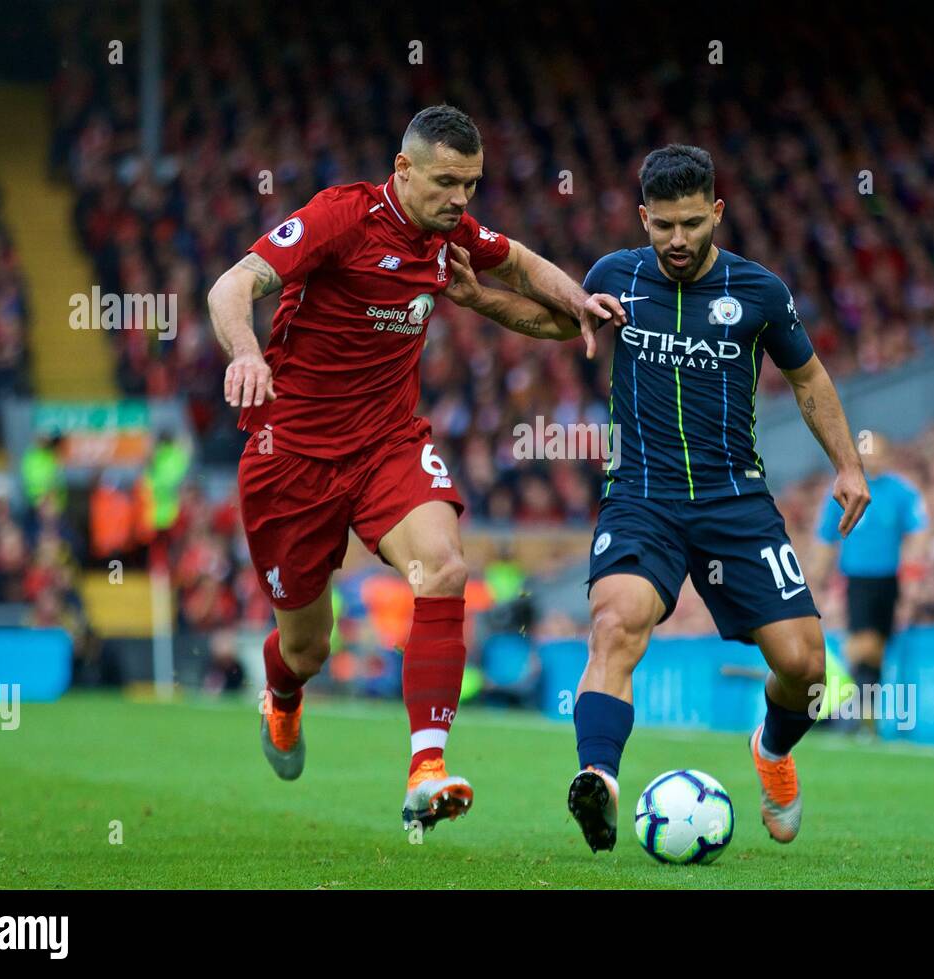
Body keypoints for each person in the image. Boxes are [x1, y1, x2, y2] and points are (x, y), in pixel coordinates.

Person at [206, 104, 624, 834]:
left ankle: (426, 768)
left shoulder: (451, 233)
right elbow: (231, 285)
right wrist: (245, 351)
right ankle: (281, 694)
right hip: (291, 458)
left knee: (446, 568)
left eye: (471, 183)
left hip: (387, 445)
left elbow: (521, 262)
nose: (461, 199)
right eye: (446, 182)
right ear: (403, 169)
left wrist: (577, 300)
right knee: (308, 647)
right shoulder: (342, 218)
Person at [554, 144, 870, 852]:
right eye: (662, 225)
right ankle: (599, 780)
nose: (677, 239)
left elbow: (810, 380)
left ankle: (772, 751)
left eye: (692, 223)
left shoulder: (758, 291)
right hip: (642, 495)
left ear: (716, 213)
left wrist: (847, 465)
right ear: (643, 217)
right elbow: (554, 317)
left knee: (804, 668)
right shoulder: (614, 277)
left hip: (735, 500)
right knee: (616, 622)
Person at [808, 432, 928, 725]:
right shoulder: (843, 490)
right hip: (857, 578)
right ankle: (859, 710)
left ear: (886, 456)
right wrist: (815, 578)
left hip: (888, 579)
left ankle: (863, 710)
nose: (871, 458)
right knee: (864, 641)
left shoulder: (901, 492)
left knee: (878, 646)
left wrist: (912, 574)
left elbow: (918, 531)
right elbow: (825, 536)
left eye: (876, 452)